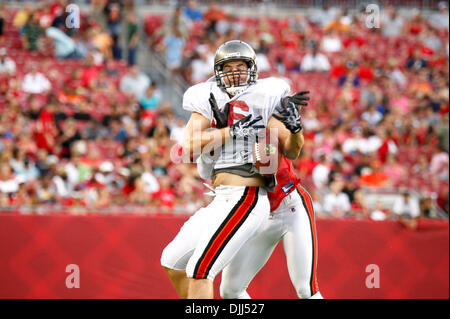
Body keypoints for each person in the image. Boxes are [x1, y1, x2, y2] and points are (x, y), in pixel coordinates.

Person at [160, 40, 306, 299]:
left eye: (241, 65)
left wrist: (296, 130)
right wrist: (227, 129)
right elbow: (189, 145)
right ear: (218, 71)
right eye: (229, 66)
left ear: (252, 68)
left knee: (200, 270)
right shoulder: (207, 96)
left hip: (246, 196)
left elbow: (293, 150)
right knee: (172, 261)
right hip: (220, 197)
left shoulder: (267, 96)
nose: (236, 71)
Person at [219, 93, 323, 299]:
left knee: (305, 289)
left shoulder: (268, 122)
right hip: (258, 214)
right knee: (230, 290)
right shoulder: (222, 136)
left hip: (289, 205)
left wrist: (295, 129)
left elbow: (293, 149)